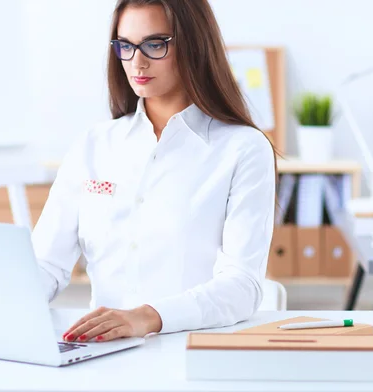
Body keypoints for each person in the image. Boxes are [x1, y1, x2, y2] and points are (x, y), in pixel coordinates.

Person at [32, 0, 277, 343]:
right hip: (100, 354)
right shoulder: (93, 144)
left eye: (155, 44)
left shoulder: (243, 149)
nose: (137, 61)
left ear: (193, 44)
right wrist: (0, 305)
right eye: (126, 46)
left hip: (194, 349)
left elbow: (242, 285)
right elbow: (45, 263)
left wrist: (148, 318)